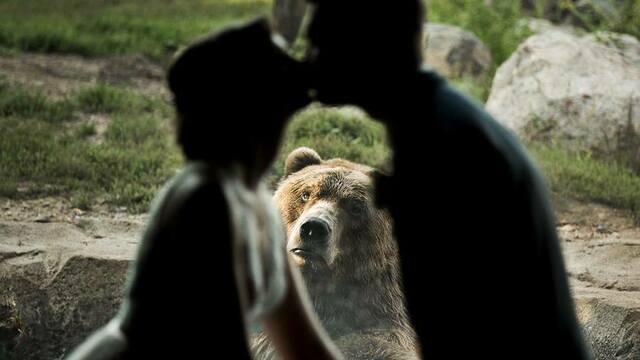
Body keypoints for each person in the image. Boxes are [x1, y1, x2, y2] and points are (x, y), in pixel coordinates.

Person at [304, 0, 592, 358]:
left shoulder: (441, 146)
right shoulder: (435, 122)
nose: (309, 61)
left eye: (318, 46)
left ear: (361, 49)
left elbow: (451, 317)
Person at [67, 19, 342, 360]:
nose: (177, 129)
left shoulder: (258, 206)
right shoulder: (205, 198)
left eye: (185, 108)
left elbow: (303, 344)